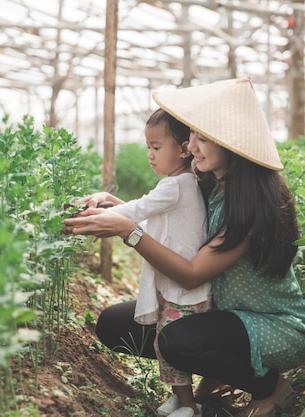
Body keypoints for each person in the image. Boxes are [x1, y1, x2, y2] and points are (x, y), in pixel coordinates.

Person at [63, 78, 305, 417]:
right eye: (192, 135)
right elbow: (173, 227)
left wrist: (128, 231)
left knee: (175, 341)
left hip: (272, 326)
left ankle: (269, 386)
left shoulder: (251, 208)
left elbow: (192, 275)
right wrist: (115, 208)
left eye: (203, 137)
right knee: (113, 324)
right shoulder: (212, 183)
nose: (191, 145)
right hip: (221, 311)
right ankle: (219, 373)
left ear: (231, 141)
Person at [74, 108, 210, 417]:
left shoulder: (175, 185)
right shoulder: (182, 183)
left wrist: (91, 217)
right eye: (148, 147)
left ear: (184, 149)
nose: (149, 155)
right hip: (176, 286)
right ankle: (180, 398)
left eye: (156, 147)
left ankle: (190, 407)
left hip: (182, 290)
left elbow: (138, 211)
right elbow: (147, 218)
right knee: (165, 343)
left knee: (170, 344)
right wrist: (107, 205)